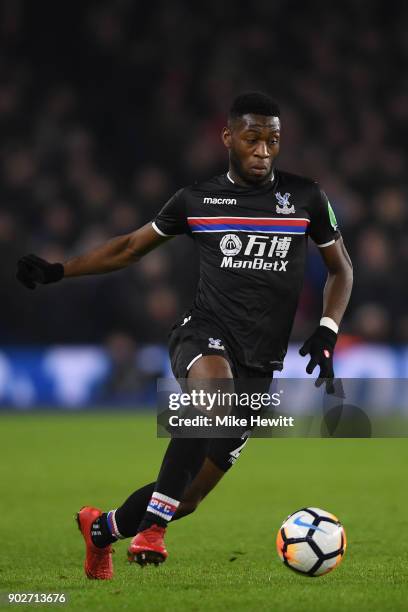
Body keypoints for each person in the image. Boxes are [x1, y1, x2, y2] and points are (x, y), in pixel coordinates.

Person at [16, 91, 353, 579]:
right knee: (212, 397)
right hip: (203, 334)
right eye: (252, 138)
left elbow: (341, 269)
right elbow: (131, 247)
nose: (262, 150)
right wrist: (58, 271)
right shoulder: (197, 200)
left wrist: (327, 330)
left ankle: (101, 530)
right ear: (228, 137)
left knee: (187, 496)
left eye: (272, 141)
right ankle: (153, 532)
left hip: (261, 363)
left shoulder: (306, 198)